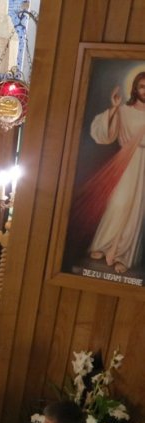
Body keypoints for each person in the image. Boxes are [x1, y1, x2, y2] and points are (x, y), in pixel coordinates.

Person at [81, 71, 145, 274]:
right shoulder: (124, 111)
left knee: (136, 210)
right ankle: (103, 245)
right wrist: (114, 108)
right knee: (119, 203)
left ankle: (123, 255)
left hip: (144, 164)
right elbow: (105, 135)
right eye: (142, 86)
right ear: (135, 89)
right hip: (126, 161)